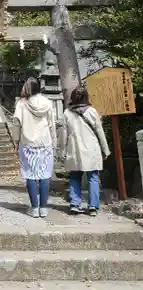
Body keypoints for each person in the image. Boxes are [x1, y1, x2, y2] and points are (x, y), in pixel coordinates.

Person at [59, 85, 110, 216]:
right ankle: (93, 207)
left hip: (75, 150)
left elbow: (63, 135)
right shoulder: (92, 112)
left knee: (75, 177)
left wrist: (61, 151)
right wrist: (105, 149)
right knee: (93, 178)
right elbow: (100, 132)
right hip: (91, 150)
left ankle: (75, 204)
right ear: (86, 97)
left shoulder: (67, 113)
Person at [14, 77, 57, 218]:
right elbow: (52, 124)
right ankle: (43, 208)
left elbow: (16, 124)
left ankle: (34, 207)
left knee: (30, 175)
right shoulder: (48, 103)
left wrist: (16, 141)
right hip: (45, 143)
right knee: (44, 175)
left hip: (28, 144)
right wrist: (54, 141)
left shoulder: (21, 104)